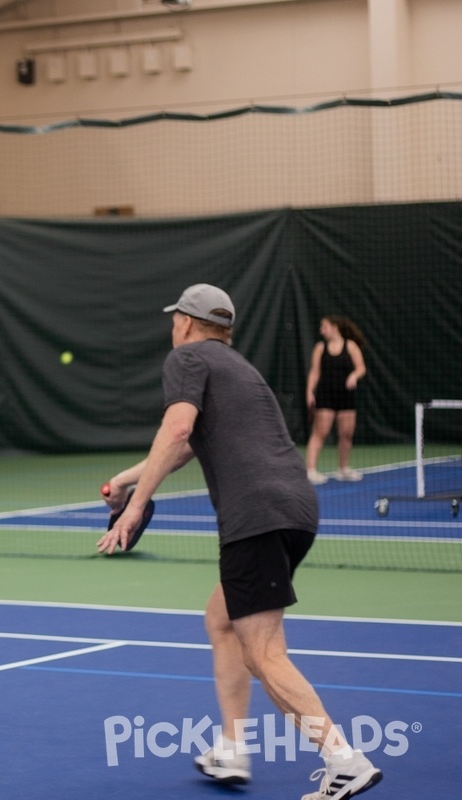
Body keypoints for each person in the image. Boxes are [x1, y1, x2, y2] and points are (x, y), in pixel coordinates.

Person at [97, 285, 382, 800]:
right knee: (222, 619)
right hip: (295, 510)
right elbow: (185, 445)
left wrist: (136, 505)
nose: (173, 328)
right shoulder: (238, 369)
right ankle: (232, 746)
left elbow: (178, 427)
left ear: (185, 322)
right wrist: (127, 480)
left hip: (255, 516)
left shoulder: (186, 358)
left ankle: (344, 759)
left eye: (175, 319)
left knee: (264, 652)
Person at [305, 316, 368, 484]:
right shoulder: (320, 348)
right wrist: (309, 392)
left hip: (346, 396)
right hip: (325, 396)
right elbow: (314, 372)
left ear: (334, 327)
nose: (321, 330)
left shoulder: (351, 346)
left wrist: (354, 376)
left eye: (324, 326)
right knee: (320, 433)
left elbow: (361, 367)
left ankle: (343, 469)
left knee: (346, 434)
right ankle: (310, 470)